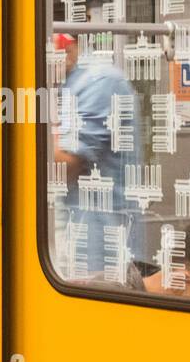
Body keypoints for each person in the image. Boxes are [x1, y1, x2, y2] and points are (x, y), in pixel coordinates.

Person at [51, 32, 140, 277]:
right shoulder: (69, 85)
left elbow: (66, 166)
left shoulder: (98, 81)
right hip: (76, 244)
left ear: (69, 46)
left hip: (100, 253)